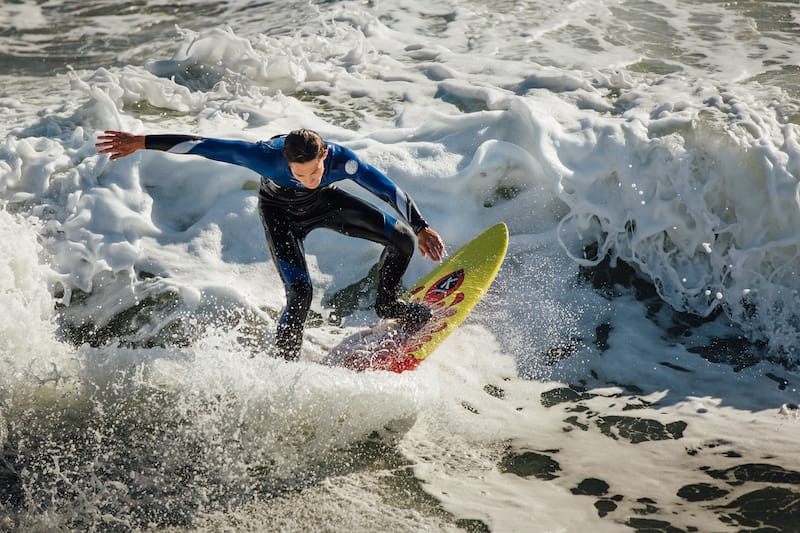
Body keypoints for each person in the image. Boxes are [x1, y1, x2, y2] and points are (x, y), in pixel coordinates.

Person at [96, 129, 446, 361]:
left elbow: (386, 189)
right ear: (286, 164)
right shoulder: (264, 157)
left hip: (326, 204)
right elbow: (205, 147)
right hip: (281, 216)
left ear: (324, 154)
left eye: (315, 171)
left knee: (401, 238)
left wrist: (422, 227)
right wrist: (141, 141)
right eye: (300, 174)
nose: (309, 179)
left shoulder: (342, 161)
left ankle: (387, 304)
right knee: (300, 293)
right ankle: (285, 369)